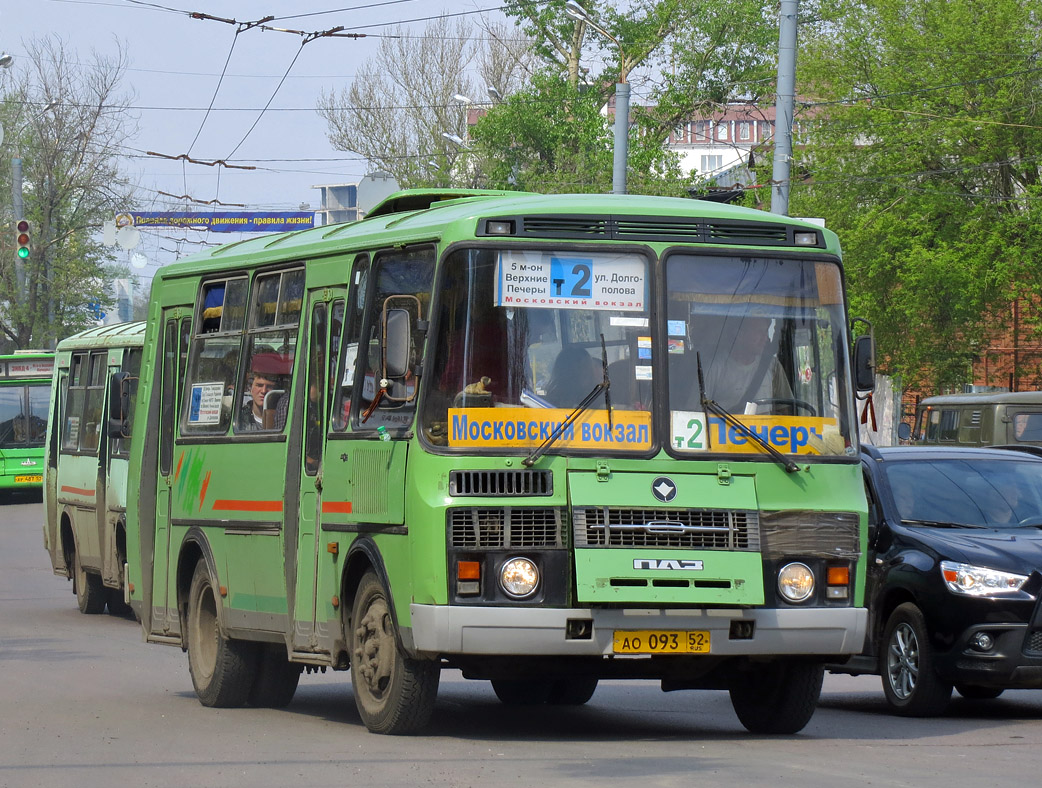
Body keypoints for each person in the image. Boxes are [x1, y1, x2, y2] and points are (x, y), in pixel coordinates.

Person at [698, 315, 794, 414]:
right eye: (759, 332)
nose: (765, 338)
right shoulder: (715, 368)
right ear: (739, 334)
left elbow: (785, 410)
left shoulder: (773, 366)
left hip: (765, 429)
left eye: (766, 332)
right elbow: (696, 412)